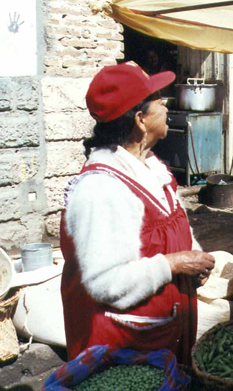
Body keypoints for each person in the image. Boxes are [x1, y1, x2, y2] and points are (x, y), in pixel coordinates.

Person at [60, 61, 217, 365]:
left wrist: (193, 255)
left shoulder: (152, 167)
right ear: (141, 120)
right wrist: (174, 264)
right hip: (124, 345)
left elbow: (172, 224)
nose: (166, 105)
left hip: (161, 332)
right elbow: (107, 283)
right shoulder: (102, 188)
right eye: (159, 100)